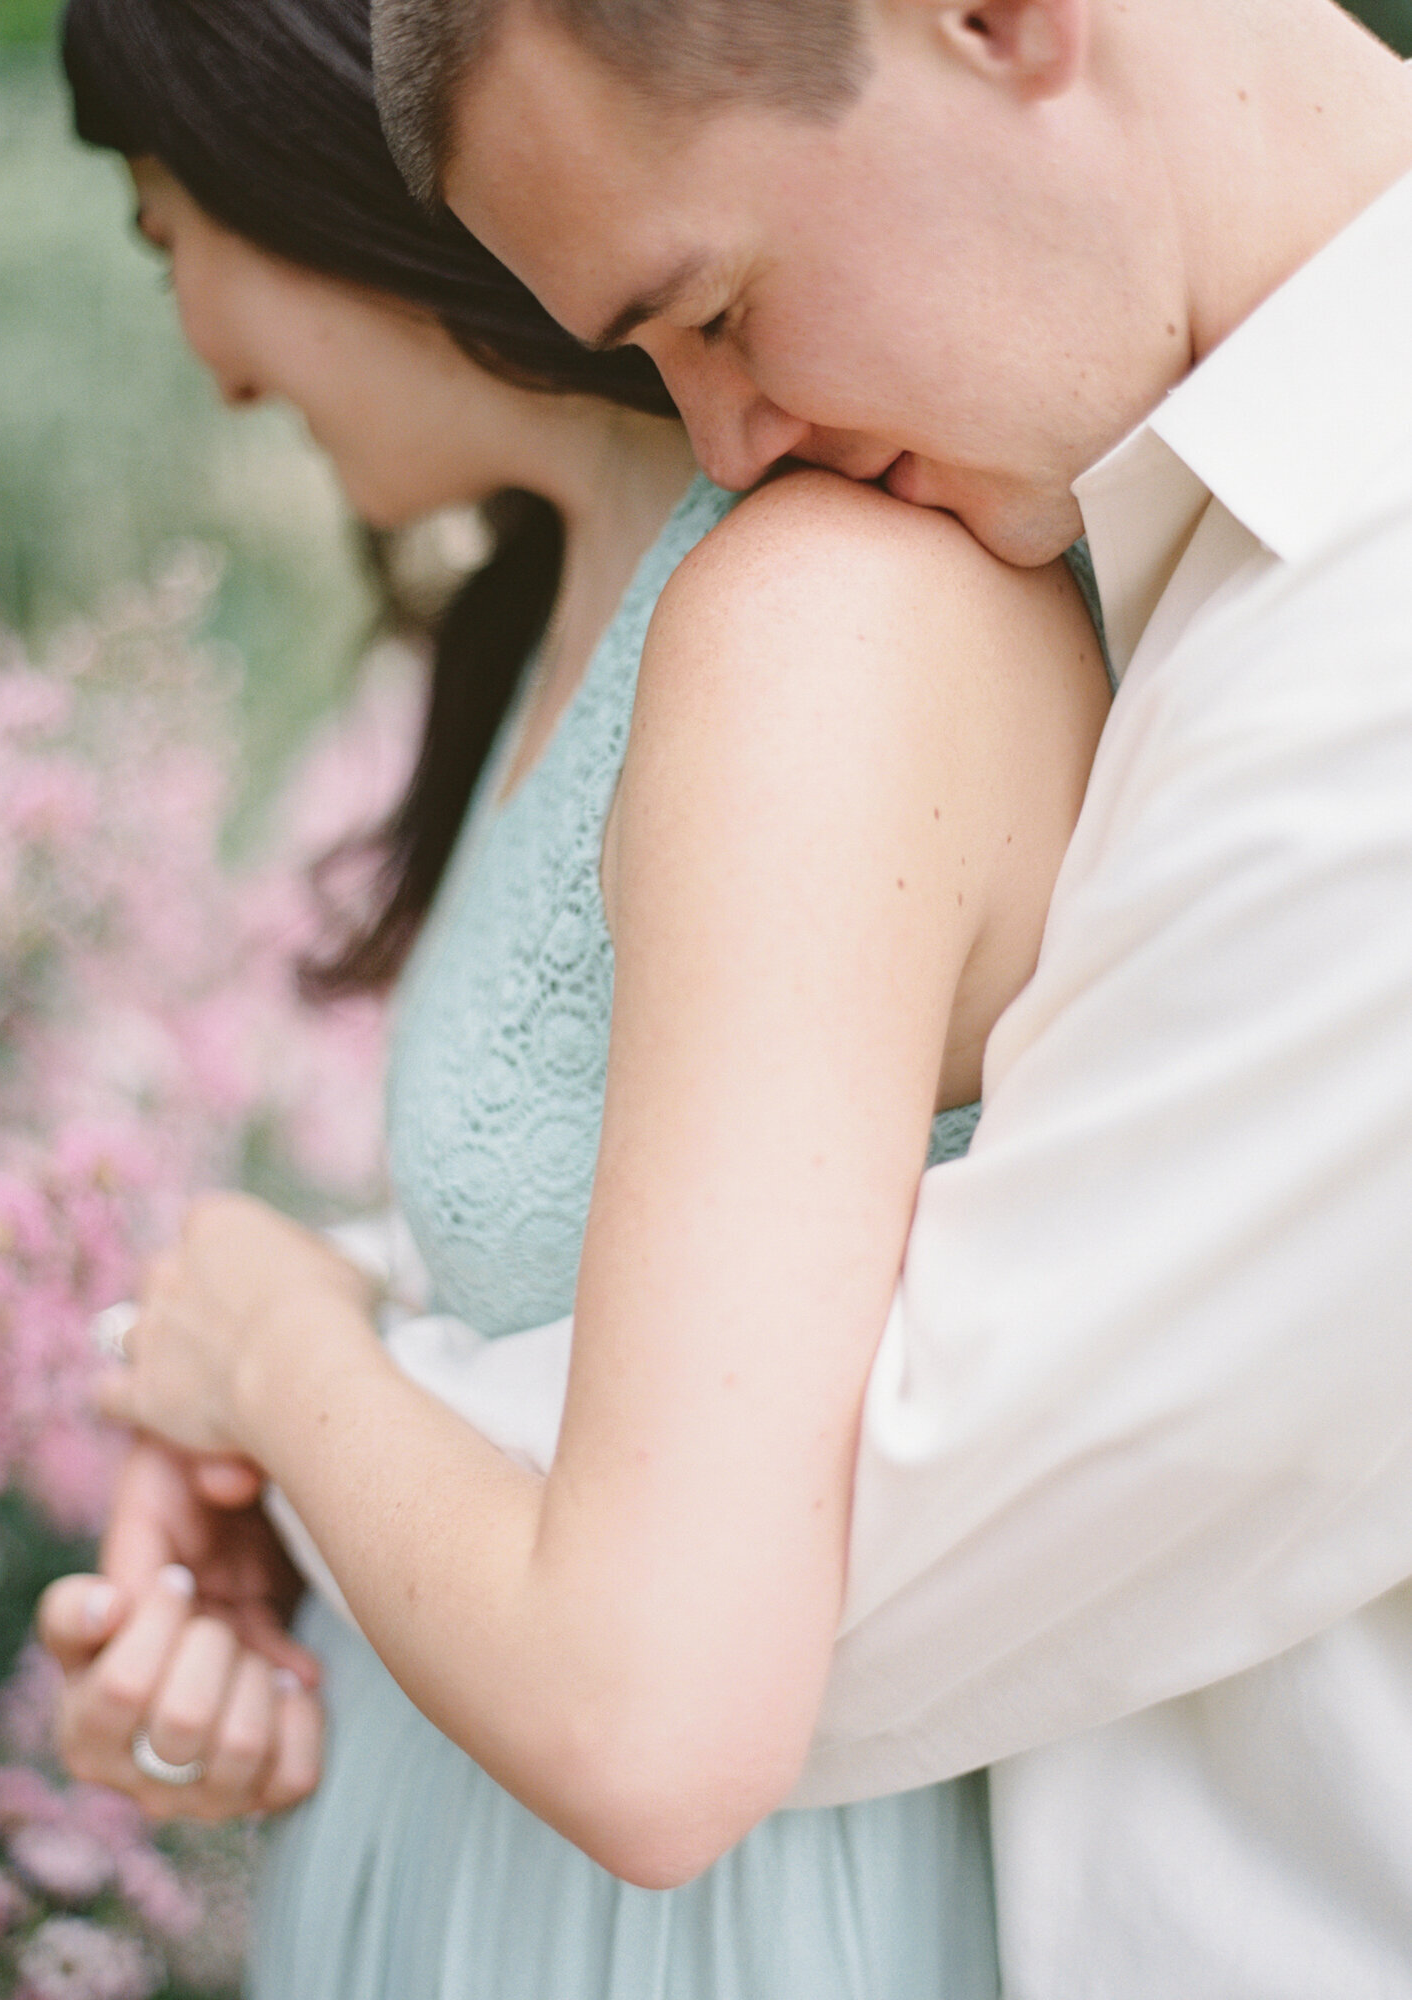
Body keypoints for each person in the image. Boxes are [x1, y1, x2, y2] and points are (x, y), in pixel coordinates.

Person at [42, 0, 1107, 1992]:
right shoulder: (568, 608)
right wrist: (271, 1448)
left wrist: (276, 1352)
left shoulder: (827, 621)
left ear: (297, 158)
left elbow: (652, 1701)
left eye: (160, 221)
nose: (205, 352)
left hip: (728, 1917)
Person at [360, 0, 1412, 1991]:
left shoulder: (1380, 687)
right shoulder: (1206, 532)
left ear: (1001, 24)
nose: (731, 443)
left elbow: (705, 1642)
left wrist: (277, 1364)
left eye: (721, 311)